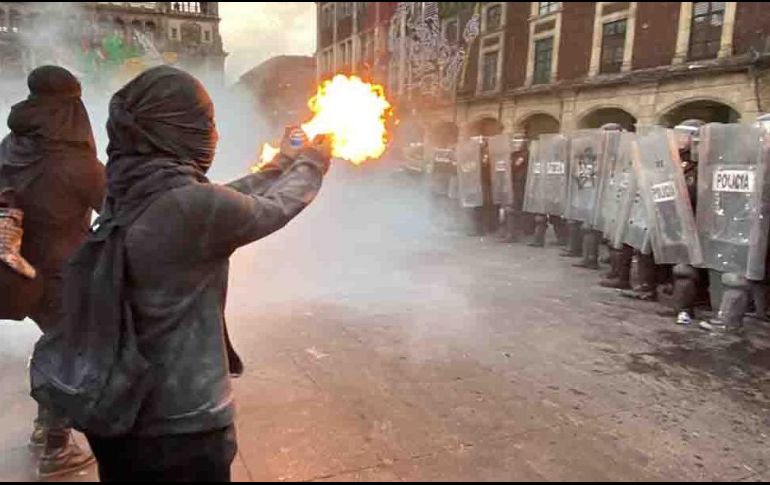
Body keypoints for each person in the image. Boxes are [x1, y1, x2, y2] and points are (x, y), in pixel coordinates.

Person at [33, 66, 331, 482]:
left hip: (119, 420)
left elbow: (219, 200)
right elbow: (271, 208)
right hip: (180, 430)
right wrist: (312, 164)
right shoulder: (191, 208)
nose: (215, 135)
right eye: (206, 123)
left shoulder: (131, 186)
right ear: (177, 130)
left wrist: (281, 162)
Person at [0, 66, 106, 479]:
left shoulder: (11, 145)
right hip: (65, 273)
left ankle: (46, 427)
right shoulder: (76, 162)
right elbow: (118, 212)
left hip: (21, 272)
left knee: (57, 344)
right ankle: (57, 446)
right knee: (67, 351)